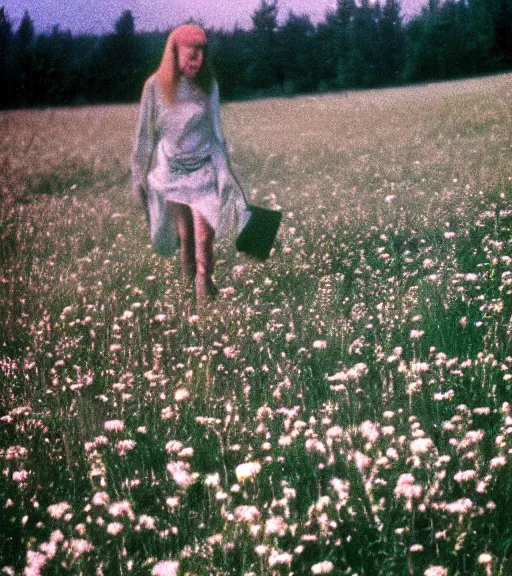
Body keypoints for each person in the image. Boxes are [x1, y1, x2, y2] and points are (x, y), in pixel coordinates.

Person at [132, 24, 246, 301]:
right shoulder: (154, 87)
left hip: (203, 171)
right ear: (174, 52)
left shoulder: (209, 87)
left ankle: (203, 296)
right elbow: (145, 137)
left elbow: (217, 137)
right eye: (190, 52)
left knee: (204, 237)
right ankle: (189, 295)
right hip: (171, 174)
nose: (197, 59)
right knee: (186, 239)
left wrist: (227, 176)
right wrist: (138, 177)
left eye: (202, 52)